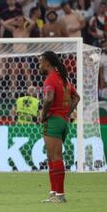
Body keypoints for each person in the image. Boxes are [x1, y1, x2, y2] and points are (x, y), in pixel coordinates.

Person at [39, 51, 80, 203]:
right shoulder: (64, 80)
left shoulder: (51, 79)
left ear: (47, 63)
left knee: (55, 157)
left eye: (40, 62)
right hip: (63, 121)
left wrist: (44, 115)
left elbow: (49, 98)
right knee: (51, 157)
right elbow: (76, 97)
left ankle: (60, 195)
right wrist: (67, 113)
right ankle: (54, 193)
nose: (39, 65)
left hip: (54, 121)